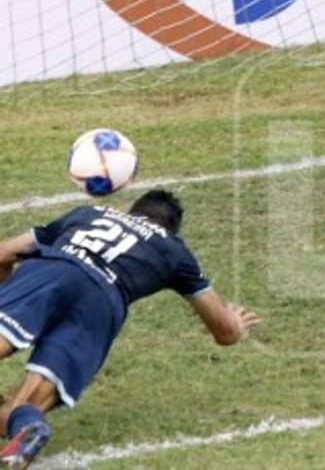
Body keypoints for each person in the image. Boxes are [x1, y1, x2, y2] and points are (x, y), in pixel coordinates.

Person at [0, 189, 258, 469]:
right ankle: (27, 427)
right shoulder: (175, 251)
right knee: (25, 405)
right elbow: (225, 332)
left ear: (129, 210)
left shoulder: (88, 214)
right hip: (102, 305)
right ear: (171, 229)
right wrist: (235, 324)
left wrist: (10, 295)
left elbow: (4, 253)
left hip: (53, 271)